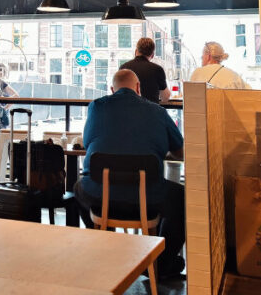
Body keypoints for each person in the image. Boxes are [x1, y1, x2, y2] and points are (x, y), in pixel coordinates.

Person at [75, 69, 186, 277]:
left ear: (111, 90)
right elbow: (179, 150)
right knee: (181, 198)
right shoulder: (158, 112)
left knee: (79, 187)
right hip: (147, 198)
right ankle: (160, 264)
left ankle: (107, 248)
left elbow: (89, 142)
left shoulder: (96, 107)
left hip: (102, 196)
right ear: (138, 89)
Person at [121, 37, 169, 104]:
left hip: (127, 112)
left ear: (136, 51)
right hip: (150, 112)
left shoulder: (123, 68)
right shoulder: (157, 69)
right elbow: (165, 98)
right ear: (152, 55)